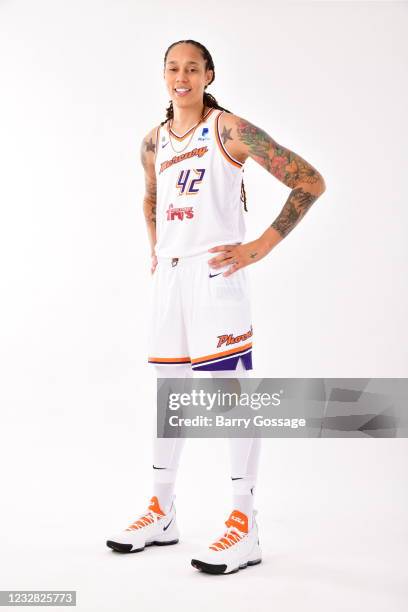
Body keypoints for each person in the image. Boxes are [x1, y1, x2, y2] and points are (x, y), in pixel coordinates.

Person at [106, 39, 326, 575]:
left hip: (216, 274)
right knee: (171, 394)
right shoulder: (152, 143)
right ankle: (162, 511)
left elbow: (309, 180)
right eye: (173, 68)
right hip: (171, 279)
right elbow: (151, 197)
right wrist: (158, 249)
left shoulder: (228, 130)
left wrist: (258, 248)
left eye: (192, 67)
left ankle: (243, 524)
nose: (182, 76)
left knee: (232, 398)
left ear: (208, 74)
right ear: (163, 75)